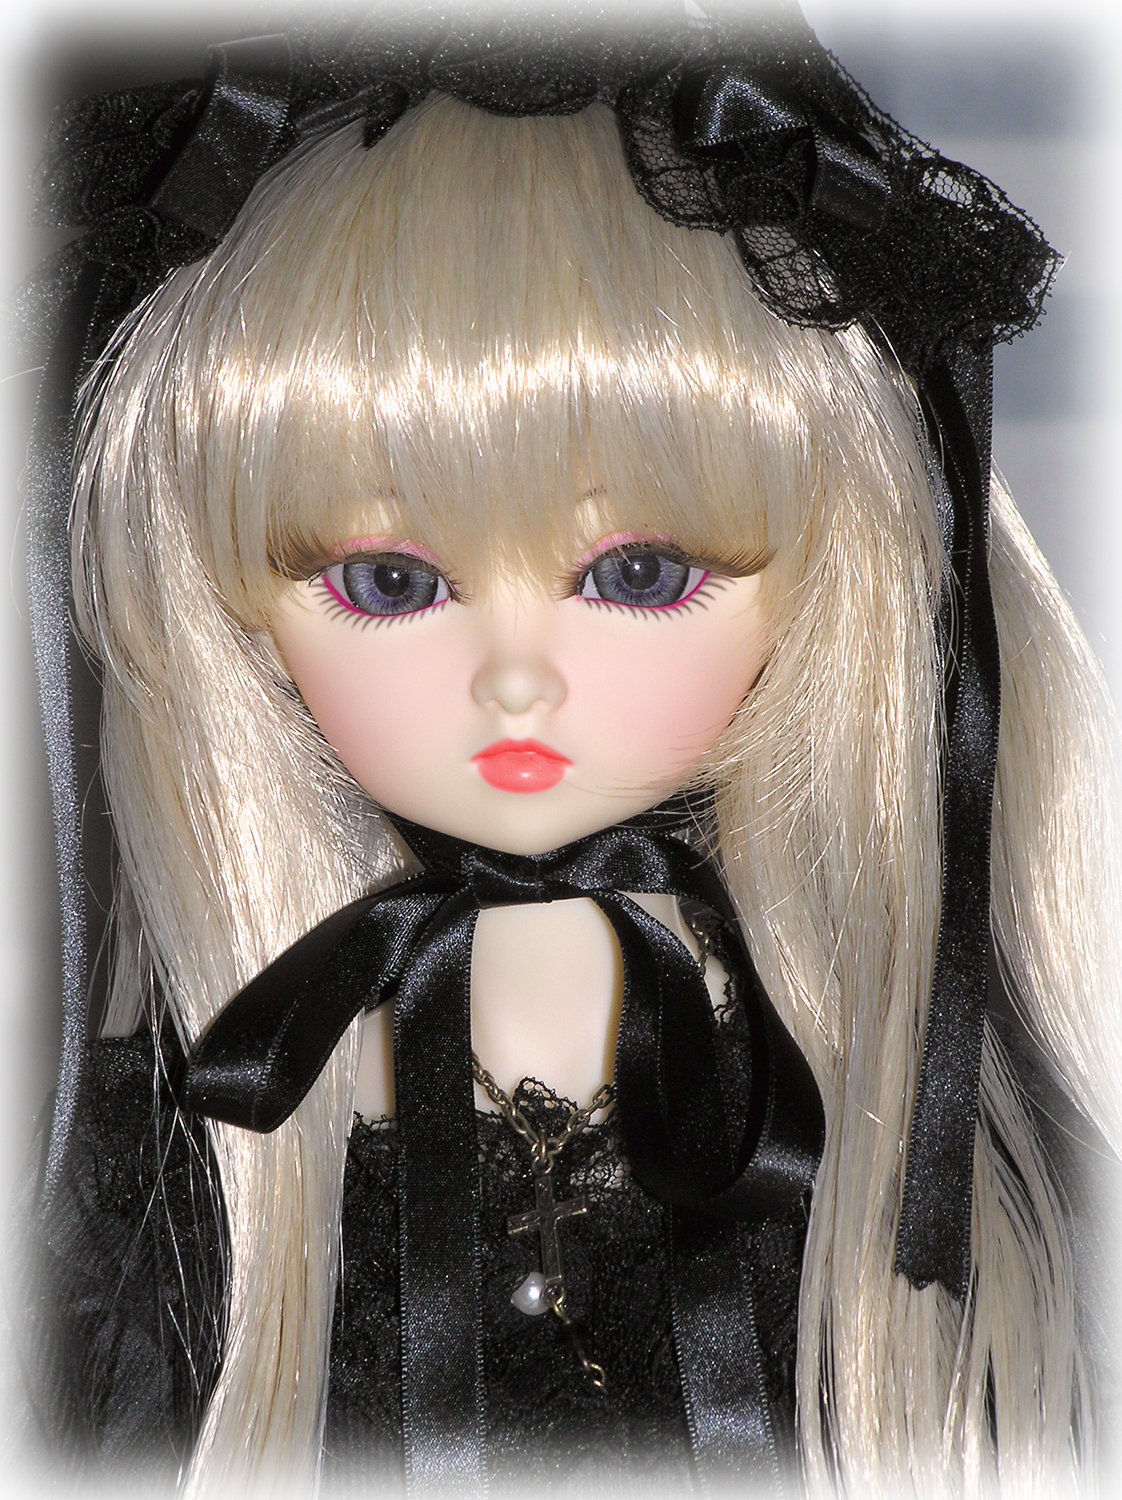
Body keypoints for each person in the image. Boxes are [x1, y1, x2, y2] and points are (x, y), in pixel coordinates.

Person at [25, 6, 1120, 1496]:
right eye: (390, 582)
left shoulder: (921, 1147)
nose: (516, 680)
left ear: (832, 571)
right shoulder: (187, 1173)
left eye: (638, 574)